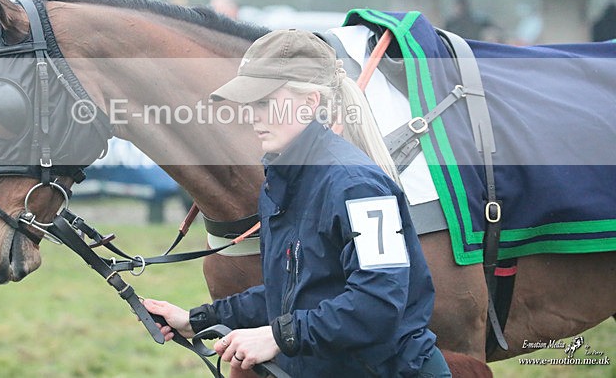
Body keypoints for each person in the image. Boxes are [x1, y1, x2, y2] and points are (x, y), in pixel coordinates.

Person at [144, 30, 450, 377]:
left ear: (309, 103)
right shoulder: (283, 181)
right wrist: (197, 320)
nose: (253, 116)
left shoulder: (358, 186)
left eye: (264, 103)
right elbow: (291, 293)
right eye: (250, 104)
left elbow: (378, 305)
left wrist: (279, 336)